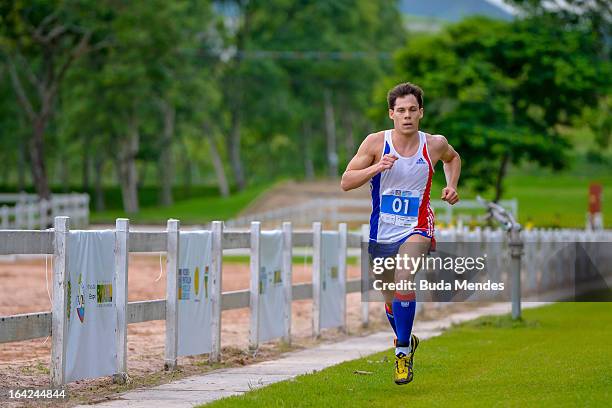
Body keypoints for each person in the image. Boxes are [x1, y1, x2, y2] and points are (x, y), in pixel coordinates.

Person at [341, 82, 461, 384]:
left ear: (421, 112)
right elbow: (346, 181)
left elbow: (453, 158)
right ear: (391, 114)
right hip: (382, 231)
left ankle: (402, 352)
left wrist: (452, 185)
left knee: (404, 278)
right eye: (401, 110)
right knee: (389, 294)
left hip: (417, 227)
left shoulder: (433, 144)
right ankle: (406, 338)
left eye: (412, 110)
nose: (407, 115)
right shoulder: (374, 143)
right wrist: (377, 168)